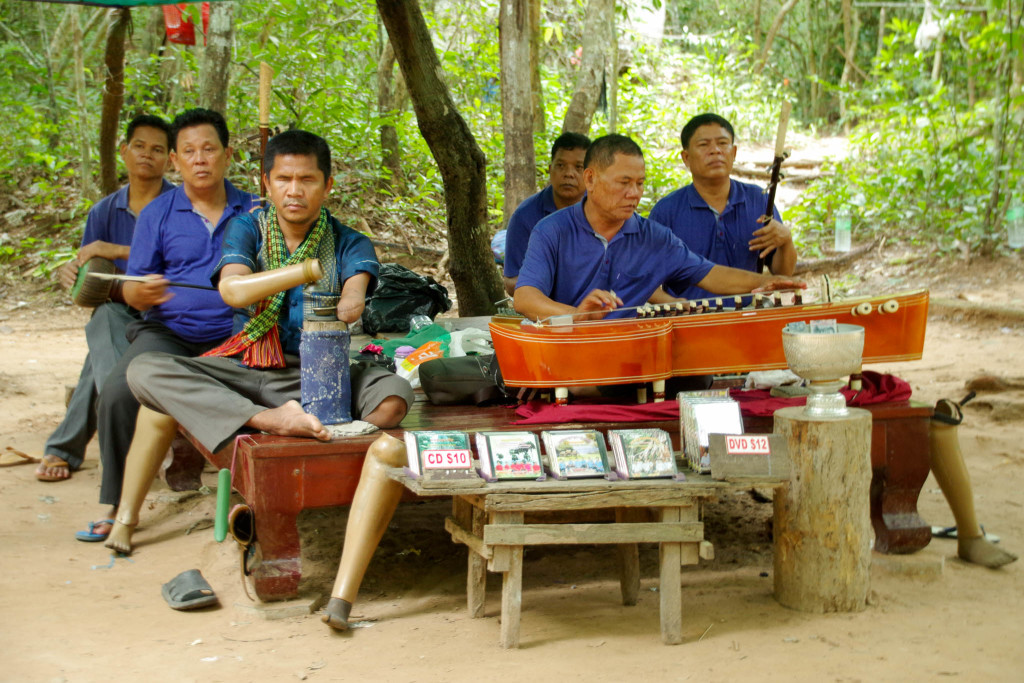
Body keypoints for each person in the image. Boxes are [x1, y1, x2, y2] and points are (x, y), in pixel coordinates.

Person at [104, 129, 414, 557]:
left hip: (316, 377)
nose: (294, 191)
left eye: (306, 180)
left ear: (327, 185)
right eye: (284, 179)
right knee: (144, 371)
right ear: (266, 184)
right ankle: (272, 422)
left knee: (394, 397)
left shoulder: (349, 241)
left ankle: (307, 434)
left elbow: (353, 298)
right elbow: (234, 292)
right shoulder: (246, 228)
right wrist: (303, 271)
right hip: (247, 371)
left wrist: (351, 296)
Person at [80, 108, 258, 541]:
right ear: (175, 161)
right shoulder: (158, 214)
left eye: (209, 149)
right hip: (168, 333)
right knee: (120, 392)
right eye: (189, 151)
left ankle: (251, 494)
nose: (200, 160)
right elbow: (133, 286)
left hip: (237, 333)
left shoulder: (253, 210)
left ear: (228, 154)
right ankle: (116, 502)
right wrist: (137, 293)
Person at [513, 133, 803, 324]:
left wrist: (767, 282)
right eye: (624, 183)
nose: (634, 193)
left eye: (639, 184)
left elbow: (711, 274)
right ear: (590, 180)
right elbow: (525, 298)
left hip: (628, 354)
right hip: (565, 352)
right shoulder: (552, 230)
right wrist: (577, 317)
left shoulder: (654, 237)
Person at [35, 115, 174, 486]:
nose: (147, 155)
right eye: (140, 146)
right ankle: (133, 436)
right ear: (124, 151)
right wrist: (71, 273)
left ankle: (66, 447)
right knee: (104, 320)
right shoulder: (103, 211)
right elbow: (90, 272)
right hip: (120, 308)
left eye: (158, 149)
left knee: (99, 348)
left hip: (168, 312)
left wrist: (113, 249)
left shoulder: (179, 205)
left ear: (169, 159)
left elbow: (178, 265)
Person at [648, 113, 797, 301]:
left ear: (733, 153)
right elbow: (645, 280)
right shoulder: (666, 211)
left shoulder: (758, 200)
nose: (715, 150)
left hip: (748, 315)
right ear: (686, 158)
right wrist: (675, 304)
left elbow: (782, 273)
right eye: (704, 145)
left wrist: (786, 241)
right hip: (690, 321)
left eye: (722, 143)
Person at [501, 132, 591, 296]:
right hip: (543, 313)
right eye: (561, 166)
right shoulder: (525, 216)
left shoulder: (603, 211)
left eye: (578, 167)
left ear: (590, 175)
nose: (569, 173)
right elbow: (511, 282)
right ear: (550, 170)